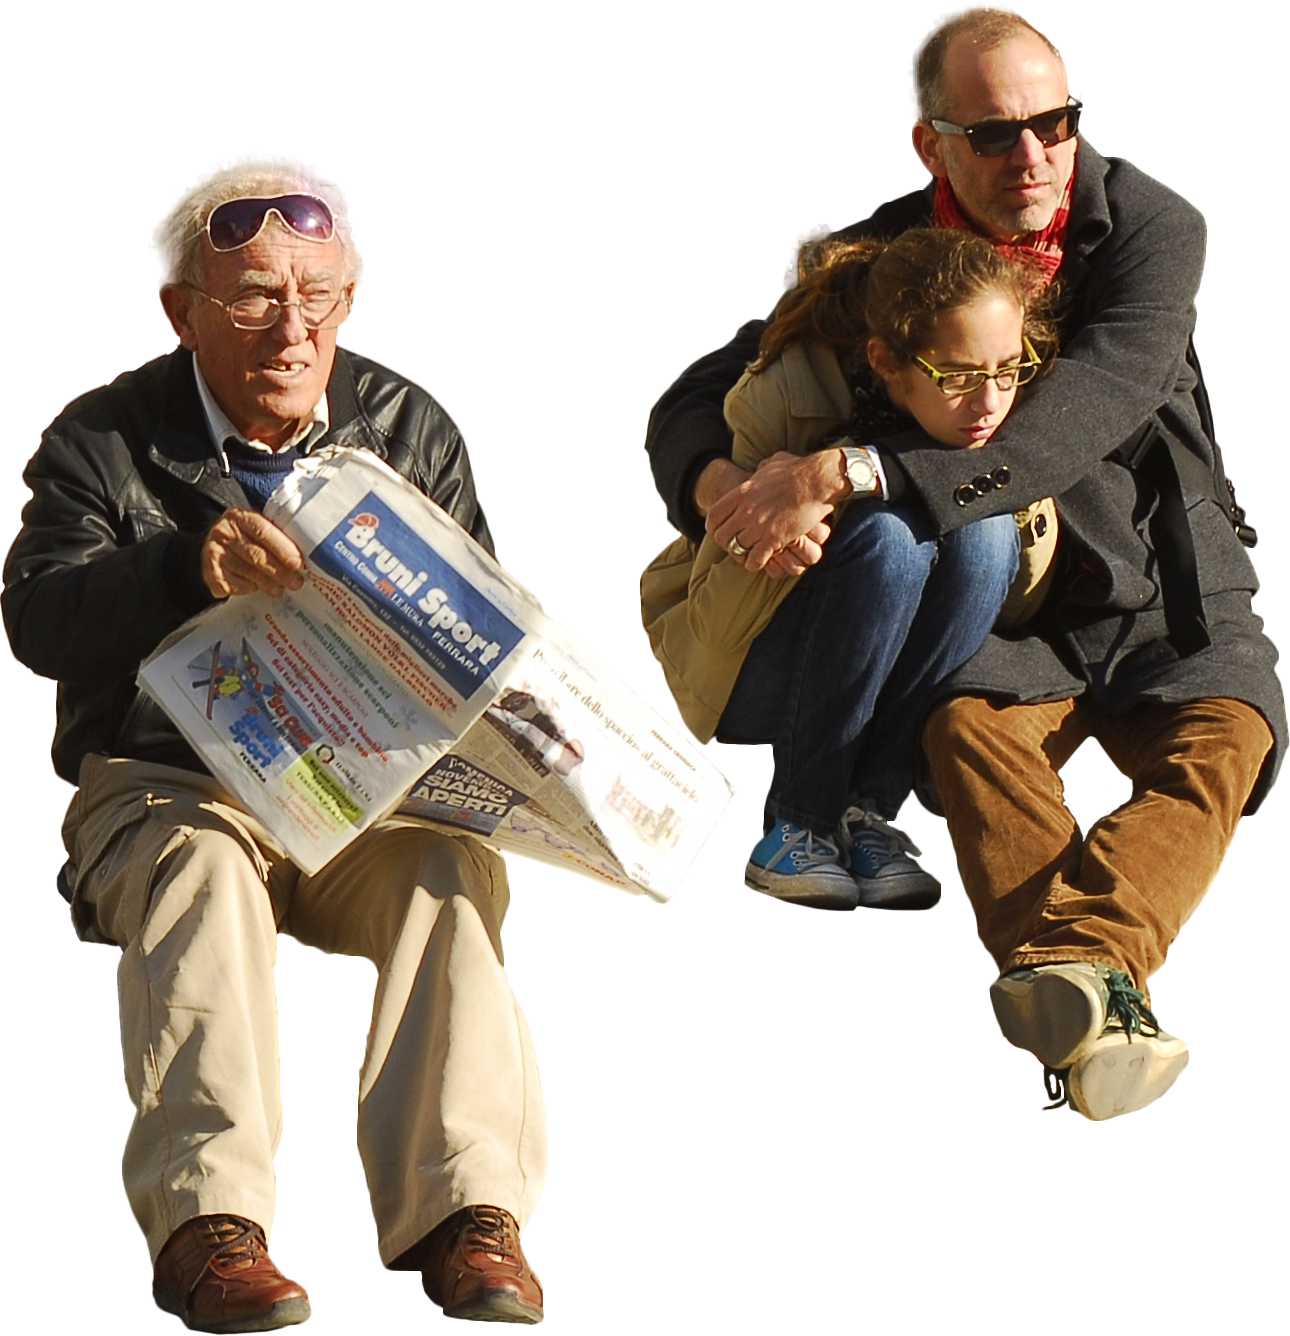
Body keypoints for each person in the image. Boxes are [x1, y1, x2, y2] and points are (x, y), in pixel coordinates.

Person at [644, 12, 1284, 1119]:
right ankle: (1091, 997)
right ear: (931, 141)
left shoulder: (1148, 229)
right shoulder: (896, 258)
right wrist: (719, 491)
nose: (1029, 156)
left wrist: (851, 469)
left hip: (1161, 586)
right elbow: (701, 390)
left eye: (1053, 124)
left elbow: (1080, 414)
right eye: (992, 134)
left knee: (1230, 733)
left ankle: (1074, 970)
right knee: (964, 735)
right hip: (1017, 607)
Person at [4, 170, 544, 1332]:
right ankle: (218, 1227)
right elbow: (39, 621)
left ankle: (464, 1225)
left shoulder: (407, 431)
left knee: (447, 877)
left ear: (347, 300)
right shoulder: (103, 441)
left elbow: (480, 631)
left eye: (317, 295)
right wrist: (183, 567)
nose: (291, 331)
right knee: (201, 877)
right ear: (184, 312)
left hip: (362, 787)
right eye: (254, 298)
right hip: (174, 777)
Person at [642, 227, 1060, 903]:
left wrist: (869, 475)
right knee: (888, 542)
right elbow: (721, 624)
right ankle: (798, 824)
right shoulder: (786, 393)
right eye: (955, 376)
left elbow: (1016, 589)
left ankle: (876, 808)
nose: (987, 402)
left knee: (981, 533)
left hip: (892, 685)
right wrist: (773, 540)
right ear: (886, 360)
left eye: (1009, 370)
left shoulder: (1003, 414)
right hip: (751, 665)